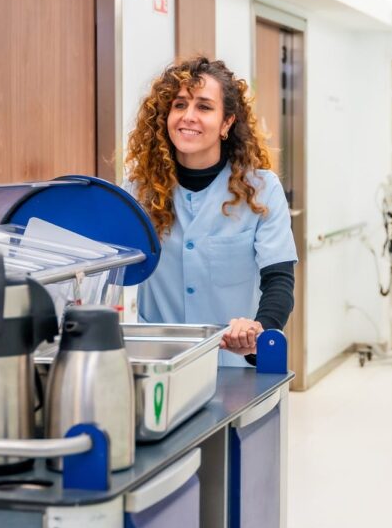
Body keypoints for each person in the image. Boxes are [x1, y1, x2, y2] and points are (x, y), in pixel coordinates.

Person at [124, 56, 297, 366]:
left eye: (204, 107)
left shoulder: (260, 189)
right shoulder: (139, 191)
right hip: (161, 365)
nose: (188, 116)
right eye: (179, 105)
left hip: (232, 364)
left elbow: (279, 280)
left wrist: (259, 329)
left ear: (226, 123)